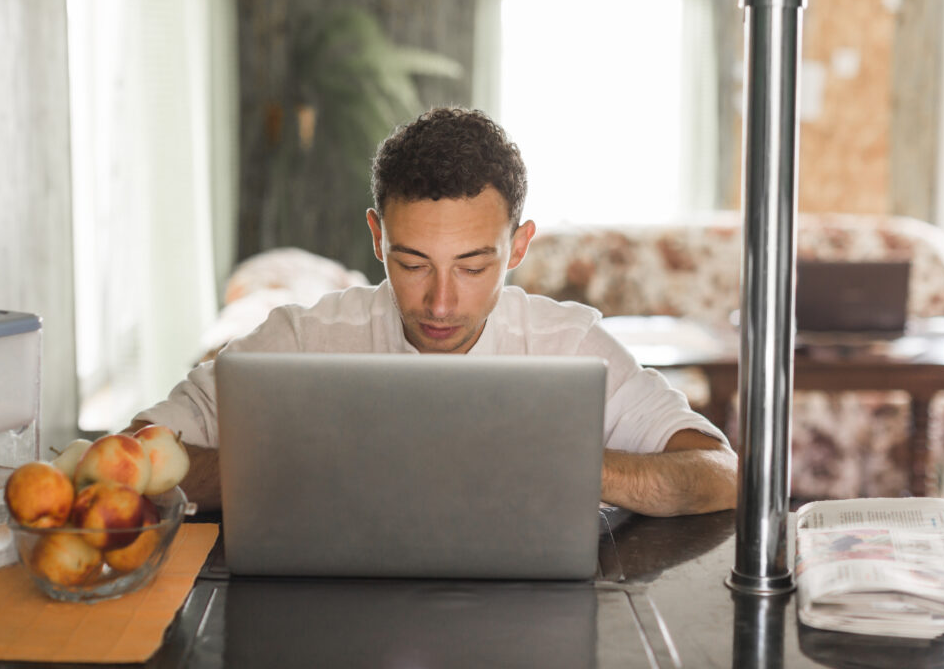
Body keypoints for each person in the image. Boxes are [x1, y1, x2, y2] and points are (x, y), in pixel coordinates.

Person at [130, 107, 737, 514]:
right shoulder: (303, 335)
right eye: (413, 263)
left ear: (518, 247)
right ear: (376, 238)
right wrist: (313, 471)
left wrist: (562, 463)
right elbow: (136, 449)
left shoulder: (568, 344)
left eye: (473, 267)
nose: (440, 302)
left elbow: (720, 473)